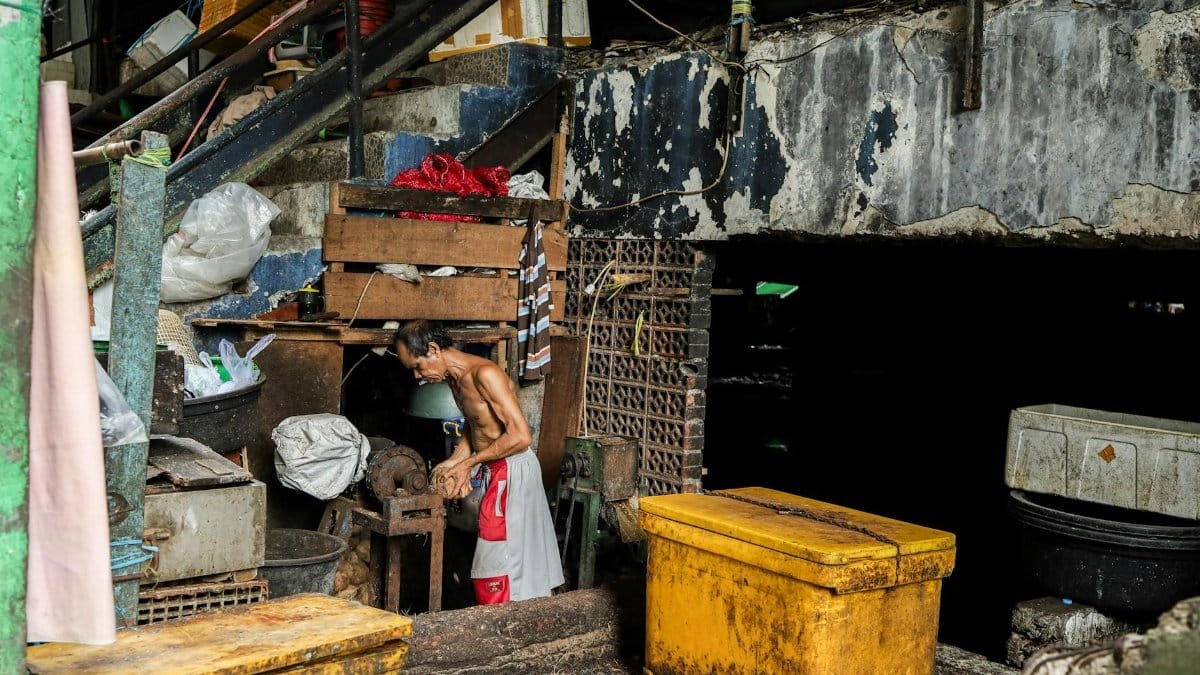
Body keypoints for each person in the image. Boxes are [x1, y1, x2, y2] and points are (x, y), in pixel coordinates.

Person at [394, 320, 564, 604]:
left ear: (433, 350)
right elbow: (477, 429)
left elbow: (521, 436)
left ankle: (510, 627)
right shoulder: (454, 379)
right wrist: (455, 462)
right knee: (505, 557)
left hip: (513, 469)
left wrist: (469, 464)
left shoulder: (484, 374)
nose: (416, 376)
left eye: (417, 366)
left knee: (502, 558)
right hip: (495, 468)